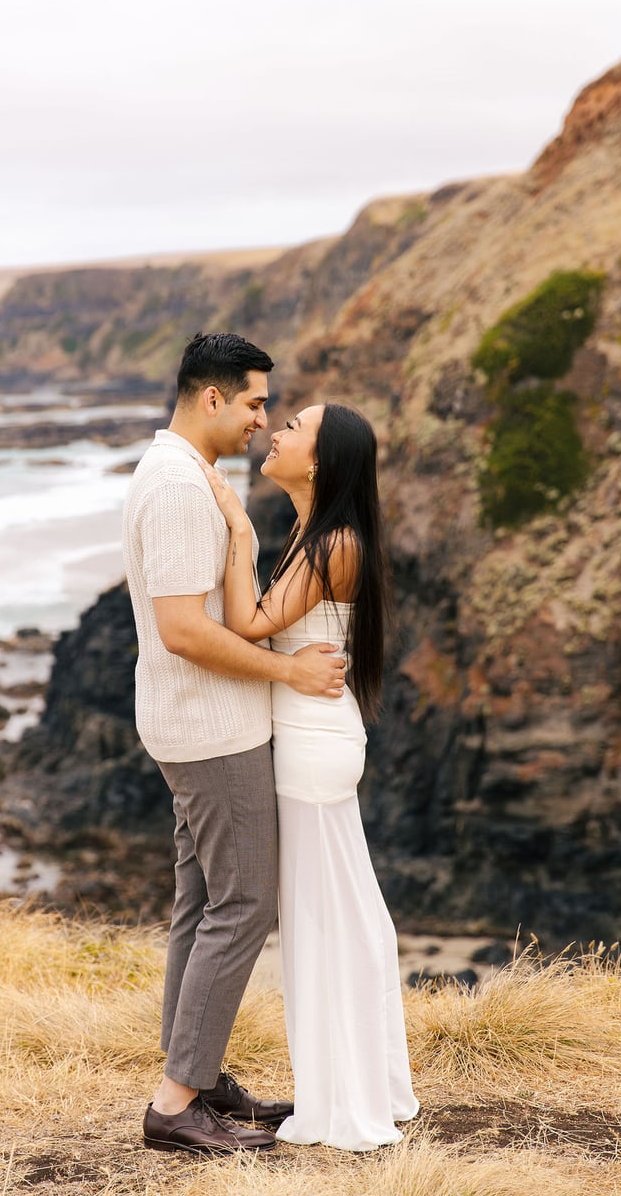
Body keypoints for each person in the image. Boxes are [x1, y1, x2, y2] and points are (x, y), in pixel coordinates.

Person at [121, 333, 347, 1155]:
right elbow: (184, 630)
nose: (263, 418)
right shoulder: (181, 488)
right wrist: (286, 677)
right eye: (254, 401)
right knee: (245, 902)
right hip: (212, 728)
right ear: (211, 397)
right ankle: (177, 1104)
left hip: (192, 722)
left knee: (203, 903)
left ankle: (199, 1077)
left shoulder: (182, 475)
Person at [200, 400, 420, 1151]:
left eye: (293, 426)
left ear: (321, 462)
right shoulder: (316, 534)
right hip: (312, 737)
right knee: (341, 912)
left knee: (325, 920)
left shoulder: (335, 544)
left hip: (314, 746)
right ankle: (365, 1079)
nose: (276, 432)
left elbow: (248, 624)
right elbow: (272, 627)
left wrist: (234, 530)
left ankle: (346, 1097)